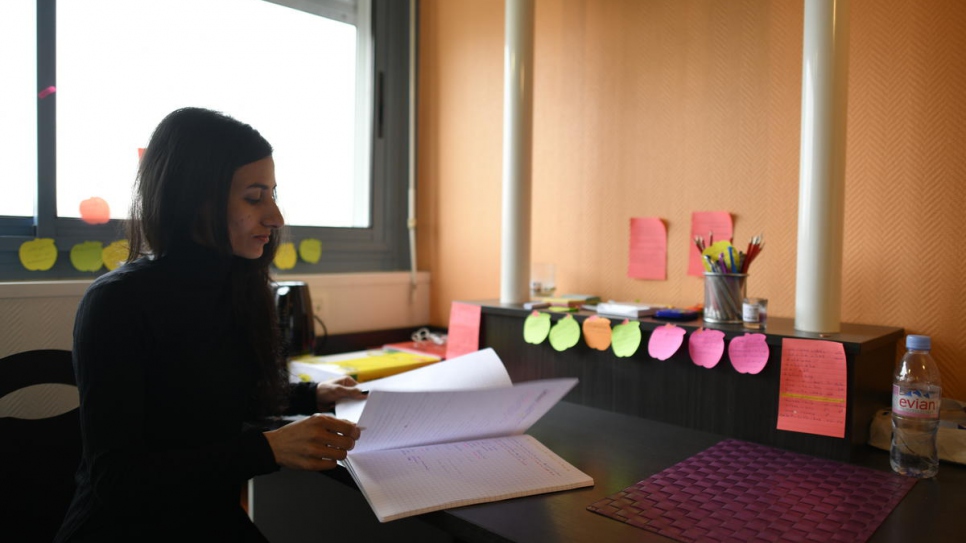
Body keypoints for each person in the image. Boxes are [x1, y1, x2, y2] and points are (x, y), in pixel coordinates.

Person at [55, 107, 366, 542]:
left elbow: (214, 395)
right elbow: (117, 479)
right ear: (193, 199)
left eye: (273, 194)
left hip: (202, 515)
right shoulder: (118, 302)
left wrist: (313, 394)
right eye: (254, 198)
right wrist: (268, 449)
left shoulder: (236, 285)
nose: (275, 216)